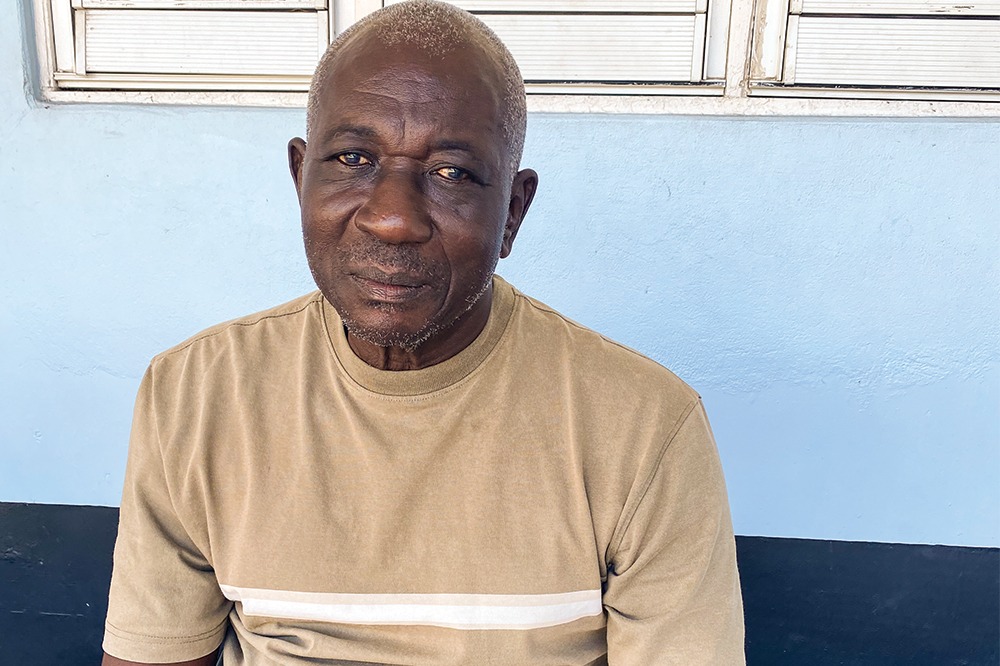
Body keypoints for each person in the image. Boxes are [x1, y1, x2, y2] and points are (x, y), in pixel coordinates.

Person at [101, 1, 745, 664]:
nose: (393, 220)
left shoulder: (644, 427)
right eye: (353, 158)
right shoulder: (194, 396)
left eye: (452, 174)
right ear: (300, 178)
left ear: (513, 214)